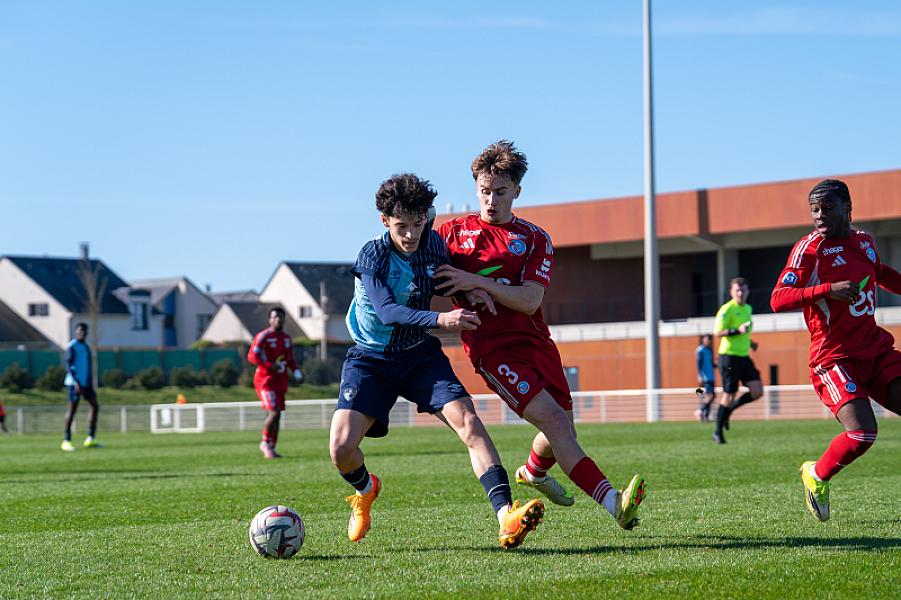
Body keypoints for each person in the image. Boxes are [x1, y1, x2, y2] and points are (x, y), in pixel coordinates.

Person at [434, 140, 645, 530]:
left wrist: (477, 282)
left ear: (517, 191)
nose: (491, 200)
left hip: (534, 341)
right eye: (484, 191)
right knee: (554, 421)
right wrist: (462, 290)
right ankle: (616, 503)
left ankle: (533, 473)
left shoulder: (533, 238)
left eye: (500, 192)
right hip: (491, 348)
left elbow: (530, 300)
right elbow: (428, 285)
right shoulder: (450, 234)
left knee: (563, 425)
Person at [330, 172, 544, 549]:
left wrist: (475, 292)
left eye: (418, 224)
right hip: (370, 360)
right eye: (401, 227)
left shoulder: (433, 246)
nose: (411, 235)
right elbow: (388, 312)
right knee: (341, 449)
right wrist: (443, 320)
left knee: (470, 423)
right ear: (385, 222)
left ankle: (506, 517)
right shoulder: (372, 256)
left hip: (418, 357)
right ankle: (365, 489)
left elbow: (447, 283)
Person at [771, 179, 901, 522]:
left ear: (847, 208)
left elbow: (880, 272)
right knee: (862, 433)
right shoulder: (809, 250)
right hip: (834, 358)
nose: (819, 215)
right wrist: (828, 290)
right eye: (814, 209)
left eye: (827, 207)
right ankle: (816, 475)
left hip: (874, 349)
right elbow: (777, 299)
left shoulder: (863, 241)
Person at [247, 307, 304, 459]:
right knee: (274, 412)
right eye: (274, 317)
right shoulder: (263, 336)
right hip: (265, 381)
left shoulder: (286, 338)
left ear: (284, 319)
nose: (278, 319)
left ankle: (271, 447)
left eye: (280, 317)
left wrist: (296, 372)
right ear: (270, 320)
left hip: (280, 380)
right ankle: (264, 442)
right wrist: (269, 365)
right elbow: (253, 356)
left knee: (278, 414)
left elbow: (290, 358)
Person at [711, 277, 764, 444]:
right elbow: (718, 332)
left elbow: (744, 333)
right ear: (731, 292)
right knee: (728, 394)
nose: (740, 293)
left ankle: (729, 412)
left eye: (743, 290)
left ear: (748, 291)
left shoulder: (748, 308)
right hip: (728, 358)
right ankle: (717, 432)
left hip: (744, 357)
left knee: (757, 391)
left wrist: (751, 342)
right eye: (737, 290)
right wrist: (736, 330)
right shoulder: (727, 309)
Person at [62, 322, 100, 451]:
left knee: (94, 406)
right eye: (79, 331)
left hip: (86, 383)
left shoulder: (86, 347)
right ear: (76, 332)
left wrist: (89, 382)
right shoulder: (72, 346)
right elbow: (68, 365)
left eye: (83, 331)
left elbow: (87, 367)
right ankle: (66, 440)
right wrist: (75, 381)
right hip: (74, 383)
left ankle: (90, 438)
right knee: (72, 410)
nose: (81, 333)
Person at [694, 334, 716, 422]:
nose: (707, 341)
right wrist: (699, 375)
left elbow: (711, 364)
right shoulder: (700, 350)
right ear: (703, 340)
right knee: (710, 396)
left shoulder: (709, 350)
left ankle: (706, 416)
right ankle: (700, 411)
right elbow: (698, 363)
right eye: (706, 339)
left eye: (709, 340)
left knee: (711, 396)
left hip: (711, 377)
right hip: (705, 377)